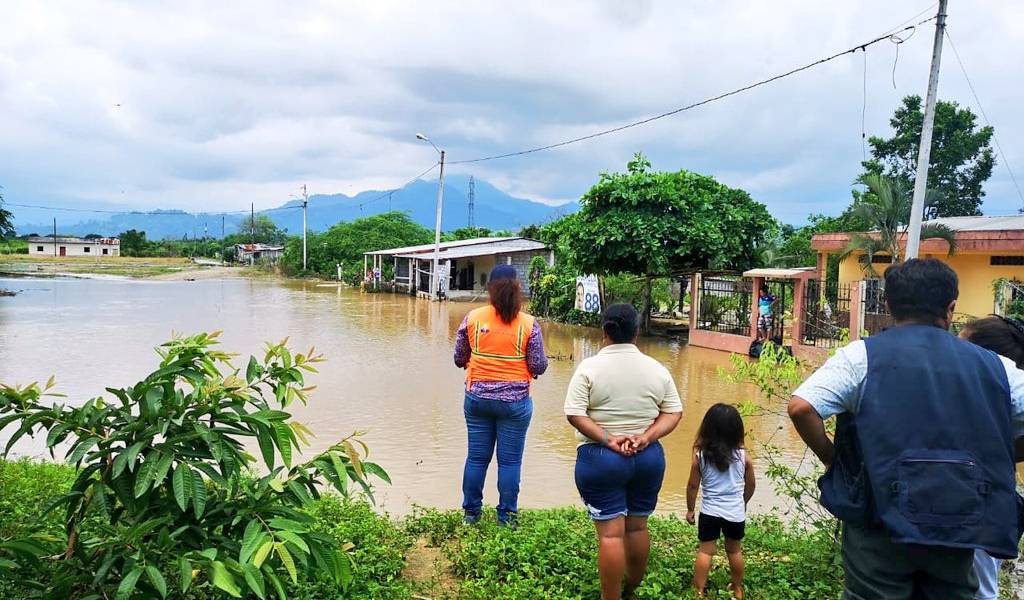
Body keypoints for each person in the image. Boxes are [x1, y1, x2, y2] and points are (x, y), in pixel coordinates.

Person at [788, 259, 1024, 599]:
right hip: (956, 519)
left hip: (877, 520)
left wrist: (833, 458)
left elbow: (801, 407)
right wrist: (1001, 457)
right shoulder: (995, 367)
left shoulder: (861, 357)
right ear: (950, 307)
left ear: (888, 305)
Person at [564, 303, 683, 600]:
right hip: (648, 458)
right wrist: (645, 437)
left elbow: (574, 413)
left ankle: (611, 597)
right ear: (637, 332)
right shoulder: (657, 369)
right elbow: (674, 412)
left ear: (605, 331)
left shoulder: (588, 368)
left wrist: (608, 439)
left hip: (601, 459)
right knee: (637, 529)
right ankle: (630, 589)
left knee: (611, 534)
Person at [453, 264, 547, 526]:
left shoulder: (473, 318)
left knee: (476, 458)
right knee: (510, 462)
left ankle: (471, 515)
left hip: (477, 400)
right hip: (515, 404)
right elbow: (538, 365)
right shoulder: (529, 323)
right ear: (518, 288)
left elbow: (459, 358)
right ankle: (506, 518)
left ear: (489, 289)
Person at [959, 315, 1024, 600]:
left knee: (980, 587)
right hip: (990, 500)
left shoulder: (998, 390)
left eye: (961, 344)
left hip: (980, 506)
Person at [686, 403, 755, 599]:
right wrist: (743, 502)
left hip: (709, 512)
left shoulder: (700, 457)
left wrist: (690, 509)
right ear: (737, 431)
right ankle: (737, 588)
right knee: (734, 551)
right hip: (735, 513)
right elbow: (750, 485)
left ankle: (698, 590)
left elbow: (692, 486)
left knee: (705, 551)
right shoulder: (743, 458)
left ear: (707, 429)